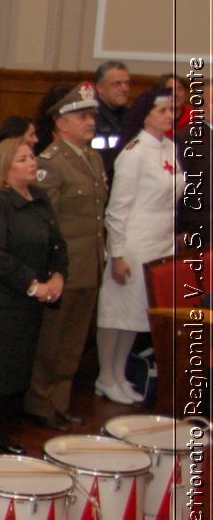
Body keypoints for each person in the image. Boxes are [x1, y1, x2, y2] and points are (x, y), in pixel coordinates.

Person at [0, 139, 66, 455]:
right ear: (5, 167)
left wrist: (58, 276)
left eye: (32, 157)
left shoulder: (39, 197)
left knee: (15, 369)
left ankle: (1, 433)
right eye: (23, 159)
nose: (33, 163)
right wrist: (35, 285)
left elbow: (57, 244)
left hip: (27, 302)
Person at [26, 84, 108, 429]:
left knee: (74, 342)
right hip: (64, 266)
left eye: (92, 115)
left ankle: (59, 403)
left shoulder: (92, 158)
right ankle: (40, 404)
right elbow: (47, 222)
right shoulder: (51, 163)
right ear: (61, 123)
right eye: (82, 116)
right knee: (52, 341)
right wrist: (52, 269)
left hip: (90, 264)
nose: (90, 122)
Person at [96, 91, 181, 404]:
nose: (169, 116)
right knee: (117, 311)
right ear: (145, 115)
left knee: (136, 315)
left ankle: (120, 373)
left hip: (161, 242)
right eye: (162, 111)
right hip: (133, 241)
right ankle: (106, 375)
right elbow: (117, 209)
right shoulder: (134, 152)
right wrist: (117, 253)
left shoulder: (170, 148)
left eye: (172, 110)